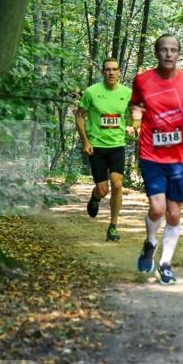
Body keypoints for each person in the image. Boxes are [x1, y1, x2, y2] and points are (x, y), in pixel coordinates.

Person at [130, 34, 183, 284]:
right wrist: (135, 118)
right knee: (158, 208)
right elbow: (135, 105)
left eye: (173, 50)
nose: (168, 54)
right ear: (157, 53)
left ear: (178, 54)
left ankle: (165, 263)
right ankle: (150, 243)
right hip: (151, 154)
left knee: (174, 214)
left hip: (179, 158)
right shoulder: (142, 81)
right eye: (164, 50)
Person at [76, 57, 134, 242]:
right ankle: (95, 198)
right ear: (103, 72)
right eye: (107, 69)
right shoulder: (91, 92)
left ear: (119, 72)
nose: (111, 73)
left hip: (117, 145)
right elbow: (79, 116)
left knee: (117, 184)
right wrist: (85, 141)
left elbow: (137, 112)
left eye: (114, 69)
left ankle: (113, 227)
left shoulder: (127, 93)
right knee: (103, 190)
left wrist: (135, 126)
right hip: (97, 147)